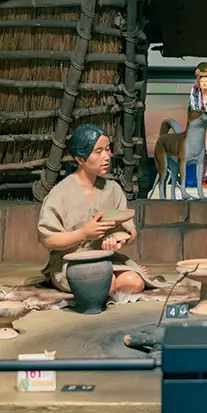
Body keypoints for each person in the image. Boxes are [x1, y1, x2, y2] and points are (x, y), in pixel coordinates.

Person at [38, 124, 148, 295]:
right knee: (106, 284)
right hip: (72, 262)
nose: (106, 157)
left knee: (133, 282)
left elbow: (131, 233)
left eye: (107, 149)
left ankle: (106, 283)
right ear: (80, 159)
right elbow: (48, 240)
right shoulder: (60, 193)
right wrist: (83, 234)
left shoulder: (113, 190)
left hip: (105, 258)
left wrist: (119, 238)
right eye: (98, 152)